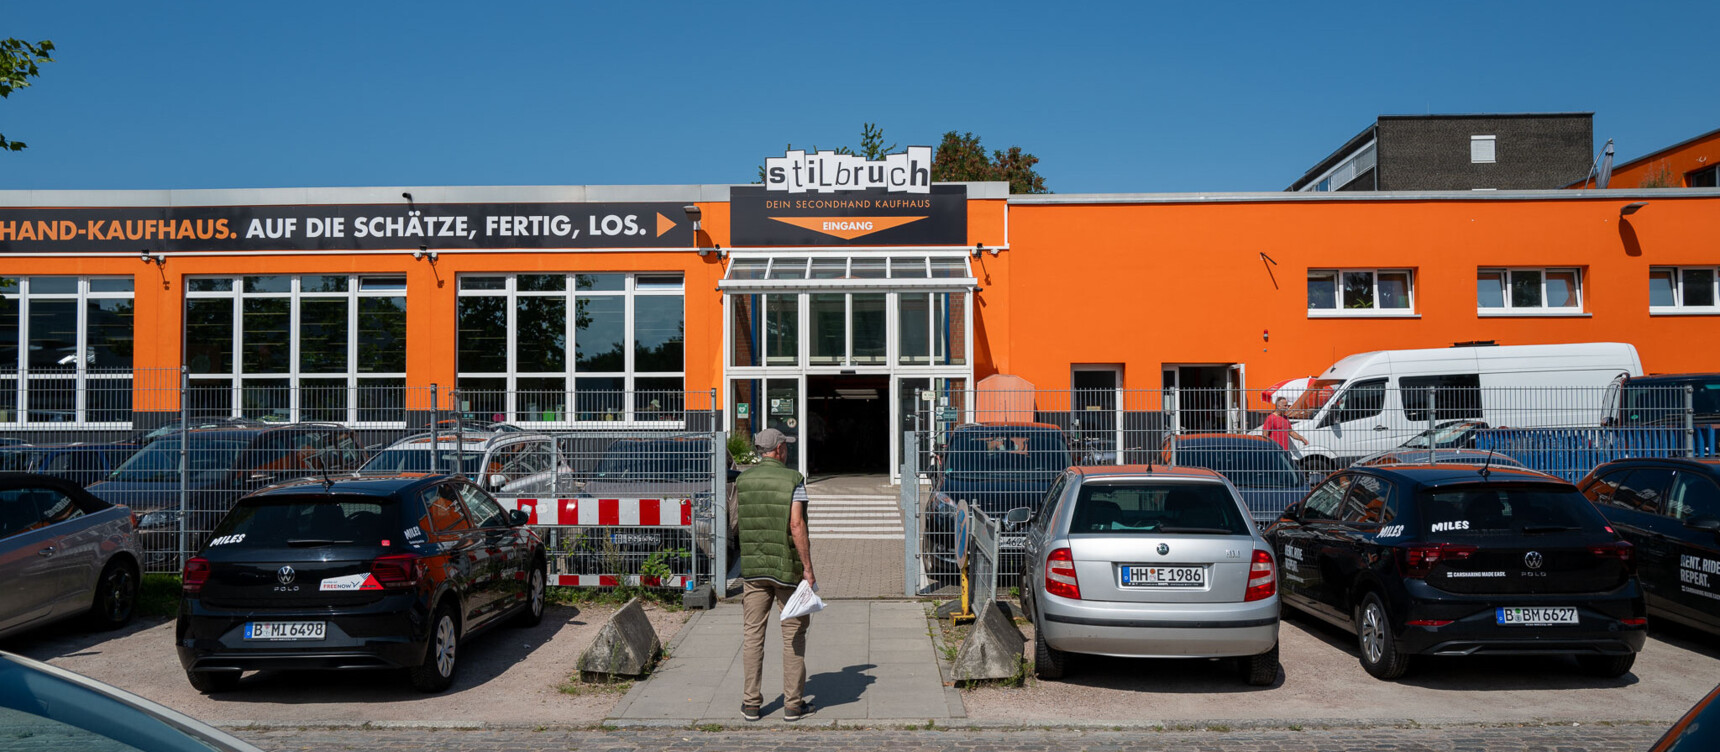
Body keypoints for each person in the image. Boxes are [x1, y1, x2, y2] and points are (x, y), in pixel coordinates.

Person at [735, 428, 816, 722]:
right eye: (786, 447)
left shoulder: (743, 481)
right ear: (779, 449)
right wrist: (807, 568)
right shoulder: (793, 479)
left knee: (752, 635)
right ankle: (793, 704)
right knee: (793, 635)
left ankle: (751, 703)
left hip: (754, 570)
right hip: (786, 570)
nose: (787, 451)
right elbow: (797, 525)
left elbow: (735, 521)